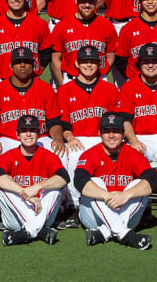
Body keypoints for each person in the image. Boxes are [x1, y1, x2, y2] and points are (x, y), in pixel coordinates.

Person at [55, 46, 121, 218]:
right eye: (85, 61)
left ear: (99, 64)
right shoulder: (64, 90)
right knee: (72, 156)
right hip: (77, 138)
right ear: (76, 63)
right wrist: (69, 137)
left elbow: (115, 122)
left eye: (93, 61)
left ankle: (107, 199)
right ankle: (73, 205)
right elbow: (63, 122)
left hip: (103, 138)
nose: (89, 65)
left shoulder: (110, 90)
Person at [74, 112, 155, 249]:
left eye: (116, 131)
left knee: (139, 184)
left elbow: (152, 181)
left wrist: (125, 195)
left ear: (123, 134)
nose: (111, 135)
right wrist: (108, 196)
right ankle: (124, 234)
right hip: (93, 217)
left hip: (126, 214)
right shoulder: (91, 154)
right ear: (100, 134)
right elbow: (79, 181)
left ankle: (105, 233)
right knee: (95, 183)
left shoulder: (133, 154)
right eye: (107, 131)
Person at [0, 114, 69, 246]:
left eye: (32, 130)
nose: (28, 134)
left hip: (42, 212)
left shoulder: (48, 156)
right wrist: (25, 193)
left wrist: (38, 187)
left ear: (39, 134)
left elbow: (64, 178)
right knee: (2, 185)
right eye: (24, 131)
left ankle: (28, 232)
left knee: (55, 187)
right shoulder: (9, 155)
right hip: (14, 216)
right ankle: (39, 231)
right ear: (17, 134)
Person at [0, 48, 62, 166]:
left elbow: (54, 121)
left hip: (40, 138)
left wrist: (58, 138)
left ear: (33, 65)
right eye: (18, 62)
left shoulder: (45, 89)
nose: (22, 65)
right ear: (10, 65)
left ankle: (61, 185)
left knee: (61, 153)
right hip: (8, 139)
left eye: (26, 61)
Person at [50, 0, 117, 88]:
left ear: (96, 1)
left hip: (99, 80)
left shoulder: (106, 25)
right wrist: (62, 84)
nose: (87, 5)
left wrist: (102, 72)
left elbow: (111, 55)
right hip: (70, 79)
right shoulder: (62, 25)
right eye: (83, 0)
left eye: (90, 1)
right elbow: (55, 59)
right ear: (76, 0)